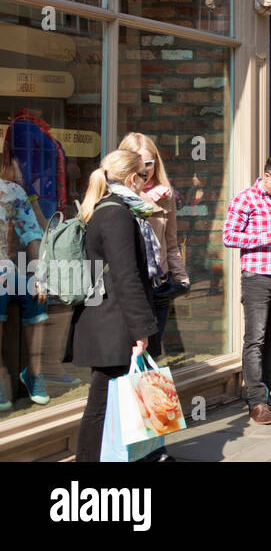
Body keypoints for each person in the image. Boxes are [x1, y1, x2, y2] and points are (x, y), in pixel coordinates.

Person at [66, 150, 160, 461]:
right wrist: (141, 330)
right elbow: (126, 276)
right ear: (133, 178)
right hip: (113, 321)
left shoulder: (104, 208)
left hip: (105, 317)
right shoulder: (117, 213)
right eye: (143, 177)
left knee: (108, 401)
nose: (144, 184)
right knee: (102, 404)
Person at [222, 151, 271, 425]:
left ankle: (267, 396)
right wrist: (270, 235)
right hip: (257, 277)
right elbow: (229, 236)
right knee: (255, 339)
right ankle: (256, 403)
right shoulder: (245, 199)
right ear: (266, 176)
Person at [118, 133, 189, 360]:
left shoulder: (165, 196)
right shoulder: (117, 194)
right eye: (138, 163)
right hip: (129, 285)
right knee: (126, 353)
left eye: (149, 163)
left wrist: (181, 279)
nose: (145, 169)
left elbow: (170, 243)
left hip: (157, 282)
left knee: (153, 354)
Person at [0, 146, 50, 411]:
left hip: (6, 268)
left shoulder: (11, 191)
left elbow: (31, 233)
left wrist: (39, 275)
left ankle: (34, 372)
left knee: (35, 294)